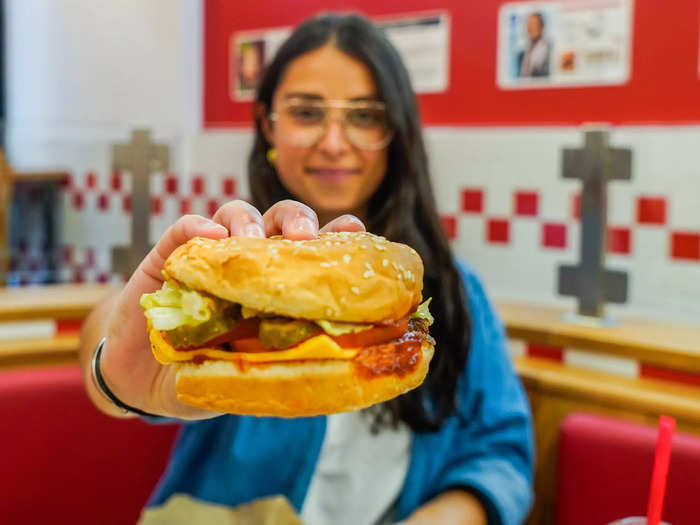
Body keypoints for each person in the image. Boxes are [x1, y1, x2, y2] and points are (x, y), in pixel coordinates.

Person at [79, 13, 534, 525]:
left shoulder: (450, 291)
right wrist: (114, 373)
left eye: (364, 116)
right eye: (306, 112)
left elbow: (502, 456)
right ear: (268, 125)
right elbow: (113, 329)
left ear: (396, 133)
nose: (335, 142)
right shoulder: (223, 261)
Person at [517, 12, 551, 78]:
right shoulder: (521, 55)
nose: (531, 28)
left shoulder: (550, 49)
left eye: (534, 24)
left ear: (542, 27)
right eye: (529, 25)